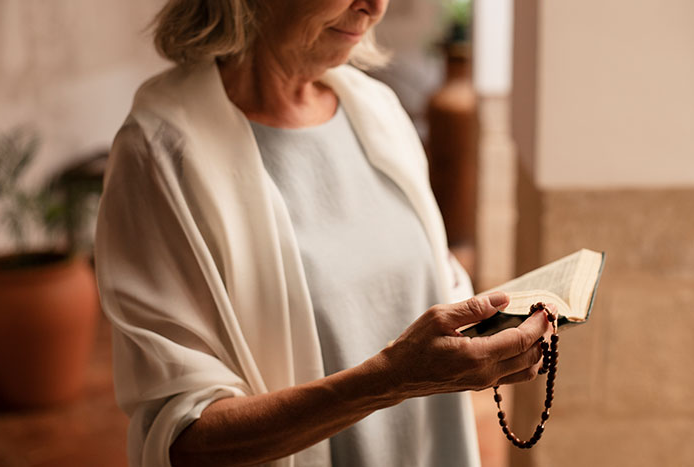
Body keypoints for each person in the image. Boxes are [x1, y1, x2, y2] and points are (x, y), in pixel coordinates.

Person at [94, 1, 552, 466]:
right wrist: (389, 380)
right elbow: (184, 441)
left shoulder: (375, 109)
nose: (374, 6)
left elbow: (419, 283)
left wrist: (489, 329)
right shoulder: (159, 154)